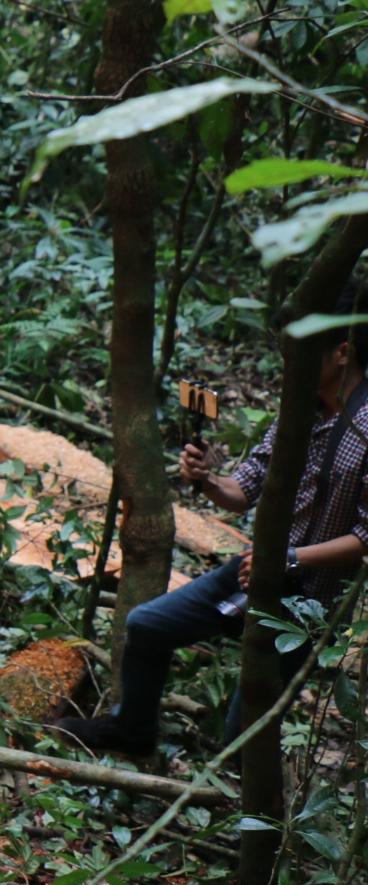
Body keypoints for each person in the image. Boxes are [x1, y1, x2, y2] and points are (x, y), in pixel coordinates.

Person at [50, 292, 368, 756]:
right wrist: (206, 480)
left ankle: (255, 815)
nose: (289, 366)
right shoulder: (297, 410)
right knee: (147, 624)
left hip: (309, 603)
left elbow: (365, 537)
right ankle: (132, 731)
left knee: (243, 735)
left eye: (303, 352)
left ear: (342, 352)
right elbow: (243, 491)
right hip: (254, 570)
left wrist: (290, 558)